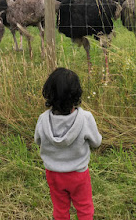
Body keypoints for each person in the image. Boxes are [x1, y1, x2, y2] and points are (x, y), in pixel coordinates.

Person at [34, 67, 102, 220]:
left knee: (60, 209)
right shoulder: (85, 118)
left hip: (53, 174)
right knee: (84, 208)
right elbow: (96, 142)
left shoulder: (43, 120)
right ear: (76, 94)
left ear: (49, 94)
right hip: (78, 174)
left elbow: (37, 140)